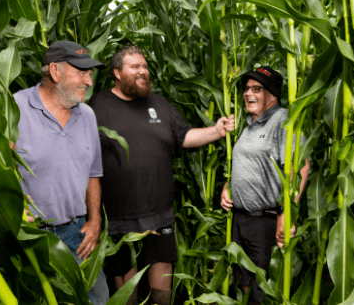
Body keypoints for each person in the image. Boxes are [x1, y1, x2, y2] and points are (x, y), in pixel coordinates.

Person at [88, 45, 235, 305]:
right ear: (117, 72)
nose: (143, 71)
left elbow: (185, 136)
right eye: (135, 67)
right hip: (119, 219)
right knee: (126, 292)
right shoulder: (98, 106)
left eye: (145, 67)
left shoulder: (159, 104)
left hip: (160, 214)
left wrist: (217, 130)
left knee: (162, 290)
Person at [13, 40, 110, 304]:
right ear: (55, 72)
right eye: (82, 73)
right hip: (32, 237)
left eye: (90, 74)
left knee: (98, 299)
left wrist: (94, 222)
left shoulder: (87, 115)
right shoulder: (16, 108)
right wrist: (13, 210)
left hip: (77, 234)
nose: (89, 82)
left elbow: (93, 174)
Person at [220, 66, 310, 305]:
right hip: (240, 220)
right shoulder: (249, 123)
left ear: (272, 95)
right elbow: (246, 162)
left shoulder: (282, 120)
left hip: (265, 223)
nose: (249, 93)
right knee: (242, 287)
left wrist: (286, 212)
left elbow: (300, 167)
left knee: (262, 292)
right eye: (246, 89)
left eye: (257, 89)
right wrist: (228, 186)